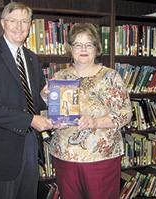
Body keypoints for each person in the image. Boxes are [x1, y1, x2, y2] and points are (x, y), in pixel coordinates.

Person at [0, 2, 54, 199]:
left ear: (30, 25)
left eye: (24, 21)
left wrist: (42, 97)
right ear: (3, 23)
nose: (19, 27)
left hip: (30, 146)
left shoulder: (32, 58)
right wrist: (30, 120)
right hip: (1, 151)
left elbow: (33, 103)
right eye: (13, 21)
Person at [42, 23, 133, 199]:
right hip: (65, 157)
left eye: (88, 44)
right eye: (78, 44)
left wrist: (95, 122)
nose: (83, 49)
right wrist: (46, 97)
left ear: (96, 48)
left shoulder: (110, 76)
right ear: (71, 48)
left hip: (101, 158)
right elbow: (52, 113)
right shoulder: (59, 76)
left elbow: (125, 113)